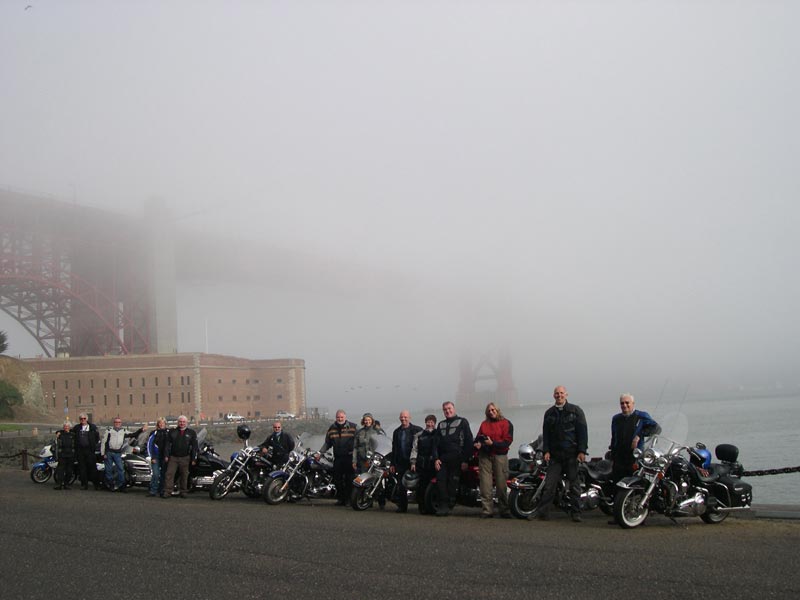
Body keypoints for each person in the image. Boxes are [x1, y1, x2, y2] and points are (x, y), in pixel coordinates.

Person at [534, 386, 588, 522]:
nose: (559, 396)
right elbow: (546, 435)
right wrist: (545, 450)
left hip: (571, 454)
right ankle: (543, 513)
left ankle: (576, 512)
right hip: (555, 456)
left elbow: (582, 432)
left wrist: (582, 451)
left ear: (566, 394)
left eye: (561, 393)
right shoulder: (549, 413)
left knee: (574, 485)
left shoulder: (576, 411)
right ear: (553, 396)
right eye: (557, 394)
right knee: (549, 485)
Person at [431, 401, 473, 517]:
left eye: (449, 408)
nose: (447, 411)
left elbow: (469, 442)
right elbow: (435, 444)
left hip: (457, 459)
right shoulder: (441, 425)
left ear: (454, 409)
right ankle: (443, 505)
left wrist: (465, 460)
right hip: (443, 460)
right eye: (445, 409)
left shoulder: (462, 422)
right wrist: (436, 459)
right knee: (441, 482)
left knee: (452, 483)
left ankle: (451, 503)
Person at [474, 402, 514, 519]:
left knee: (501, 485)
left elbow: (507, 441)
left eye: (493, 410)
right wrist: (477, 444)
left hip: (499, 455)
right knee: (485, 484)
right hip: (485, 455)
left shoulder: (506, 423)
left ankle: (504, 510)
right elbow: (478, 438)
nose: (491, 412)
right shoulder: (484, 424)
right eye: (489, 411)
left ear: (497, 410)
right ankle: (487, 510)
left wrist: (493, 443)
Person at [609, 393, 658, 482]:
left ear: (633, 403)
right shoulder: (616, 419)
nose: (625, 405)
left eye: (627, 403)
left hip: (634, 457)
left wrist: (639, 436)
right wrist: (612, 453)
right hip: (619, 458)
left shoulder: (641, 416)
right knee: (617, 484)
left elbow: (656, 428)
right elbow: (613, 437)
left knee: (634, 483)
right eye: (622, 403)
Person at [317, 410, 357, 506]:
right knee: (337, 479)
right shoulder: (332, 428)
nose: (340, 419)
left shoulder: (353, 427)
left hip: (349, 457)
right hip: (338, 458)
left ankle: (348, 500)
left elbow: (359, 441)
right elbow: (327, 443)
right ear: (336, 417)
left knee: (349, 480)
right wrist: (320, 453)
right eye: (338, 417)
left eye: (341, 417)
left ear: (345, 417)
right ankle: (341, 499)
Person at [100, 418, 145, 492]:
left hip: (117, 453)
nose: (117, 423)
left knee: (121, 469)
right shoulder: (108, 431)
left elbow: (133, 434)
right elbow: (103, 443)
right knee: (108, 470)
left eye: (119, 422)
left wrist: (141, 429)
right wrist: (103, 453)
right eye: (116, 422)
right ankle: (111, 485)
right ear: (114, 423)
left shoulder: (123, 431)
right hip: (109, 452)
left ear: (121, 423)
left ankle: (120, 485)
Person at [391, 410, 422, 513]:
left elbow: (421, 446)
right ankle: (402, 507)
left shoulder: (417, 430)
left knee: (418, 484)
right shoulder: (396, 432)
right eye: (401, 417)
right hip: (401, 462)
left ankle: (422, 506)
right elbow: (394, 448)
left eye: (405, 417)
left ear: (410, 417)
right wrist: (392, 463)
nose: (403, 419)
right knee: (401, 485)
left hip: (414, 462)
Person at [163, 415, 199, 498]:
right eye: (180, 422)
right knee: (169, 474)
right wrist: (166, 455)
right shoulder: (172, 432)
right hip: (173, 457)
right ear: (178, 422)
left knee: (184, 475)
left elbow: (194, 447)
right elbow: (167, 445)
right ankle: (168, 491)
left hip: (185, 457)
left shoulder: (191, 433)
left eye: (183, 422)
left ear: (186, 423)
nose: (182, 423)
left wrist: (194, 458)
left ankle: (183, 491)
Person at [410, 414, 437, 513]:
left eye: (432, 422)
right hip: (421, 463)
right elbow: (414, 449)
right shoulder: (419, 435)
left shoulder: (438, 434)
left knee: (433, 487)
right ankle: (422, 507)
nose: (430, 424)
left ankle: (432, 506)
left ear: (434, 423)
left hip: (433, 464)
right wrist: (413, 462)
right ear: (425, 423)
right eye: (428, 422)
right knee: (421, 486)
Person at [73, 413, 100, 490]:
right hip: (80, 451)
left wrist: (93, 445)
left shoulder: (92, 427)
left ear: (87, 419)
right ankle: (84, 484)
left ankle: (96, 484)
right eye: (81, 419)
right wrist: (58, 432)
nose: (83, 420)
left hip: (90, 450)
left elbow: (97, 437)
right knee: (82, 468)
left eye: (84, 418)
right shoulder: (77, 427)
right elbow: (68, 431)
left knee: (93, 468)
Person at [147, 418, 169, 497]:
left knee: (163, 475)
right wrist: (151, 457)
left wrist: (167, 456)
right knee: (156, 474)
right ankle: (153, 490)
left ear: (165, 424)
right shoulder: (154, 433)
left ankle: (161, 490)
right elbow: (149, 445)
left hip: (165, 457)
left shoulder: (168, 433)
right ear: (158, 424)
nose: (161, 424)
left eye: (163, 423)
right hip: (155, 457)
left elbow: (170, 445)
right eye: (160, 423)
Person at [53, 422, 75, 490]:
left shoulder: (73, 434)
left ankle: (66, 484)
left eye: (67, 426)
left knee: (69, 471)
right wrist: (57, 433)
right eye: (65, 426)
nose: (66, 427)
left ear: (70, 427)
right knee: (60, 470)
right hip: (62, 454)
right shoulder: (60, 434)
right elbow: (55, 443)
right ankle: (59, 484)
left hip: (70, 455)